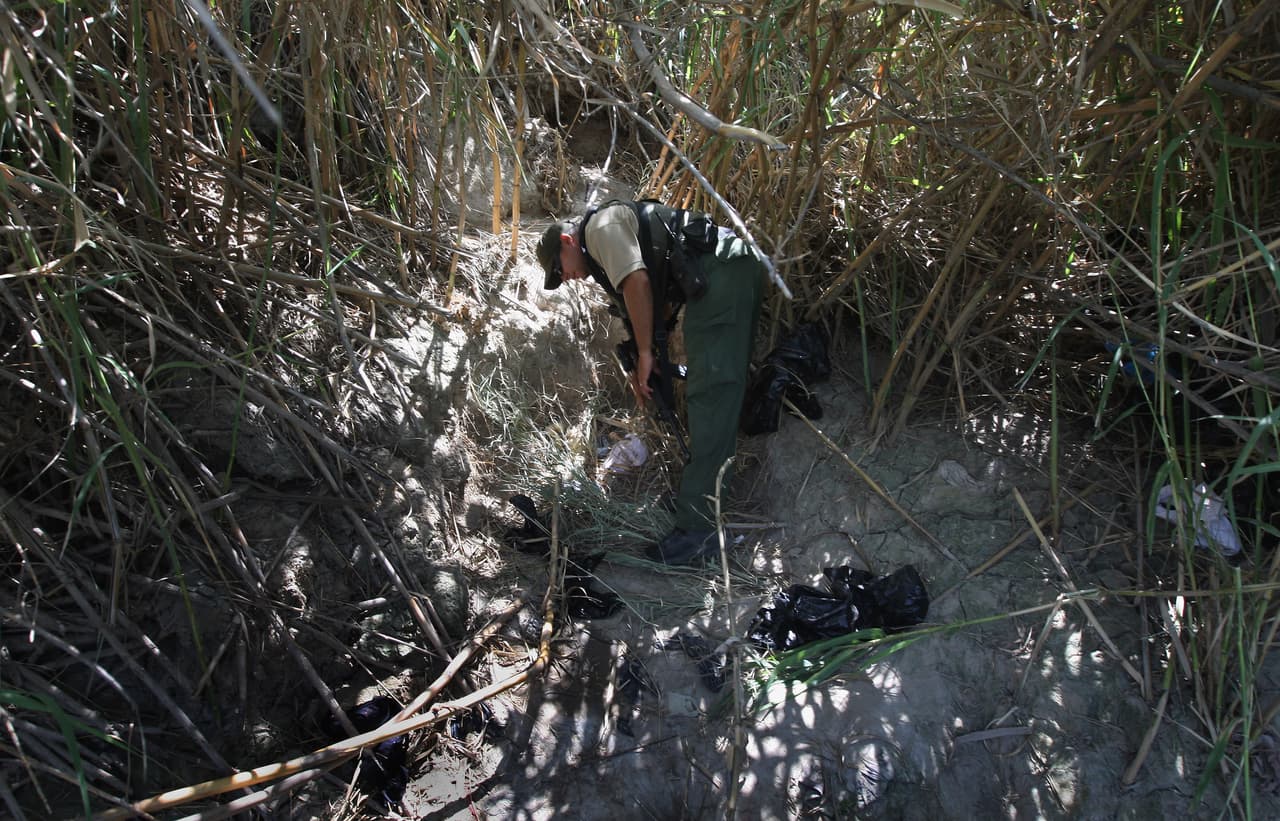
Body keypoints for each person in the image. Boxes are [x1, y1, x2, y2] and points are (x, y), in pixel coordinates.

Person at [536, 199, 765, 565]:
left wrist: (646, 353)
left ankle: (699, 528)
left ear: (567, 242)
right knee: (716, 391)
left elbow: (637, 281)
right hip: (727, 270)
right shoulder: (599, 252)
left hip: (724, 271)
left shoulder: (600, 228)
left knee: (712, 394)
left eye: (559, 271)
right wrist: (646, 354)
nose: (566, 279)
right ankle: (704, 493)